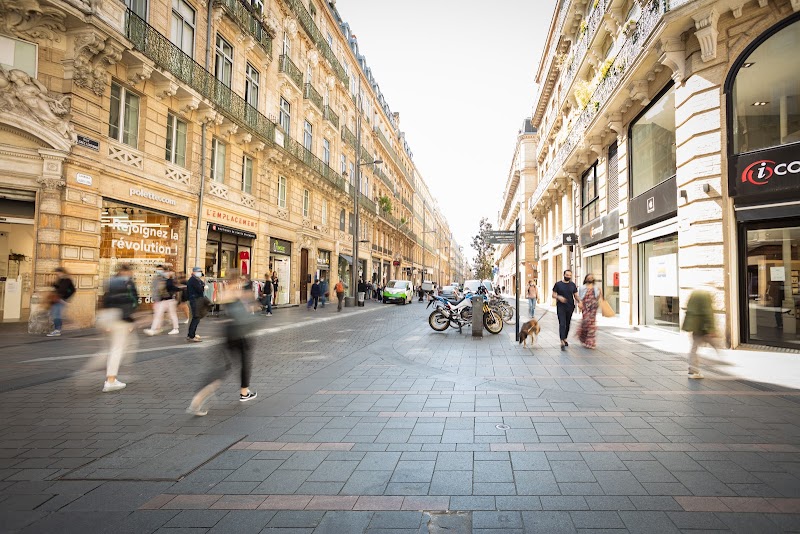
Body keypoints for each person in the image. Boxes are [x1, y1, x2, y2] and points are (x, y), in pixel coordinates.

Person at [186, 273, 257, 416]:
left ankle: (198, 399)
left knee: (224, 368)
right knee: (244, 362)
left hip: (227, 333)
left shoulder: (225, 293)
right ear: (237, 281)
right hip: (239, 333)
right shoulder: (237, 293)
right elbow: (248, 310)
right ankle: (244, 392)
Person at [99, 264, 139, 392]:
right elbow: (132, 301)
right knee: (117, 349)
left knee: (117, 347)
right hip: (121, 319)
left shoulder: (110, 282)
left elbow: (105, 299)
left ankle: (111, 374)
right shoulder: (128, 283)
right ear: (127, 272)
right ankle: (110, 380)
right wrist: (130, 321)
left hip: (108, 317)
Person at [682, 286, 718, 379]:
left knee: (694, 348)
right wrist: (711, 329)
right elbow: (708, 313)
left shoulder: (694, 294)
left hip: (695, 326)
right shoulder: (705, 296)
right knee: (711, 344)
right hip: (702, 327)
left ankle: (692, 370)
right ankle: (693, 371)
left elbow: (688, 308)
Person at [145, 266, 180, 336]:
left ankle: (176, 328)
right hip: (163, 300)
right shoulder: (162, 279)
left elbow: (174, 288)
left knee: (172, 314)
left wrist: (170, 278)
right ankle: (153, 329)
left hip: (170, 300)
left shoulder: (170, 280)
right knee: (158, 314)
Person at [552, 269, 581, 351]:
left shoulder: (573, 285)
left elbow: (576, 295)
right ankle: (562, 341)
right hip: (561, 307)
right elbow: (553, 295)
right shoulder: (558, 284)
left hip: (570, 306)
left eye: (570, 275)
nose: (568, 276)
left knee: (568, 323)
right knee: (562, 323)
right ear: (564, 275)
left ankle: (565, 338)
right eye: (567, 275)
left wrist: (580, 301)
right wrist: (559, 297)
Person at [47, 267, 76, 337]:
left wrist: (66, 298)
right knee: (54, 313)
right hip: (57, 299)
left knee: (56, 314)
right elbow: (59, 288)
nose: (57, 275)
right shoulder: (61, 280)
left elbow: (72, 290)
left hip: (61, 300)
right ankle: (57, 328)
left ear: (62, 272)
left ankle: (57, 330)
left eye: (58, 273)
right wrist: (53, 284)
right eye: (56, 274)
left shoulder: (67, 280)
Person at [577, 274, 602, 349]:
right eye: (589, 277)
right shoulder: (582, 287)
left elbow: (597, 297)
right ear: (586, 279)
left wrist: (600, 292)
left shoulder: (596, 287)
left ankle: (590, 342)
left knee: (591, 324)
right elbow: (579, 296)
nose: (590, 279)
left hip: (593, 306)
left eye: (591, 278)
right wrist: (580, 303)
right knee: (586, 322)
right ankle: (583, 337)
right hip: (585, 306)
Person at [187, 266, 206, 342]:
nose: (200, 273)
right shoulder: (193, 280)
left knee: (195, 317)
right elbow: (200, 289)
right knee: (196, 317)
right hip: (195, 300)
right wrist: (203, 287)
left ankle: (191, 334)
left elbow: (202, 284)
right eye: (198, 271)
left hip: (195, 300)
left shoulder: (196, 279)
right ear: (194, 272)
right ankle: (191, 335)